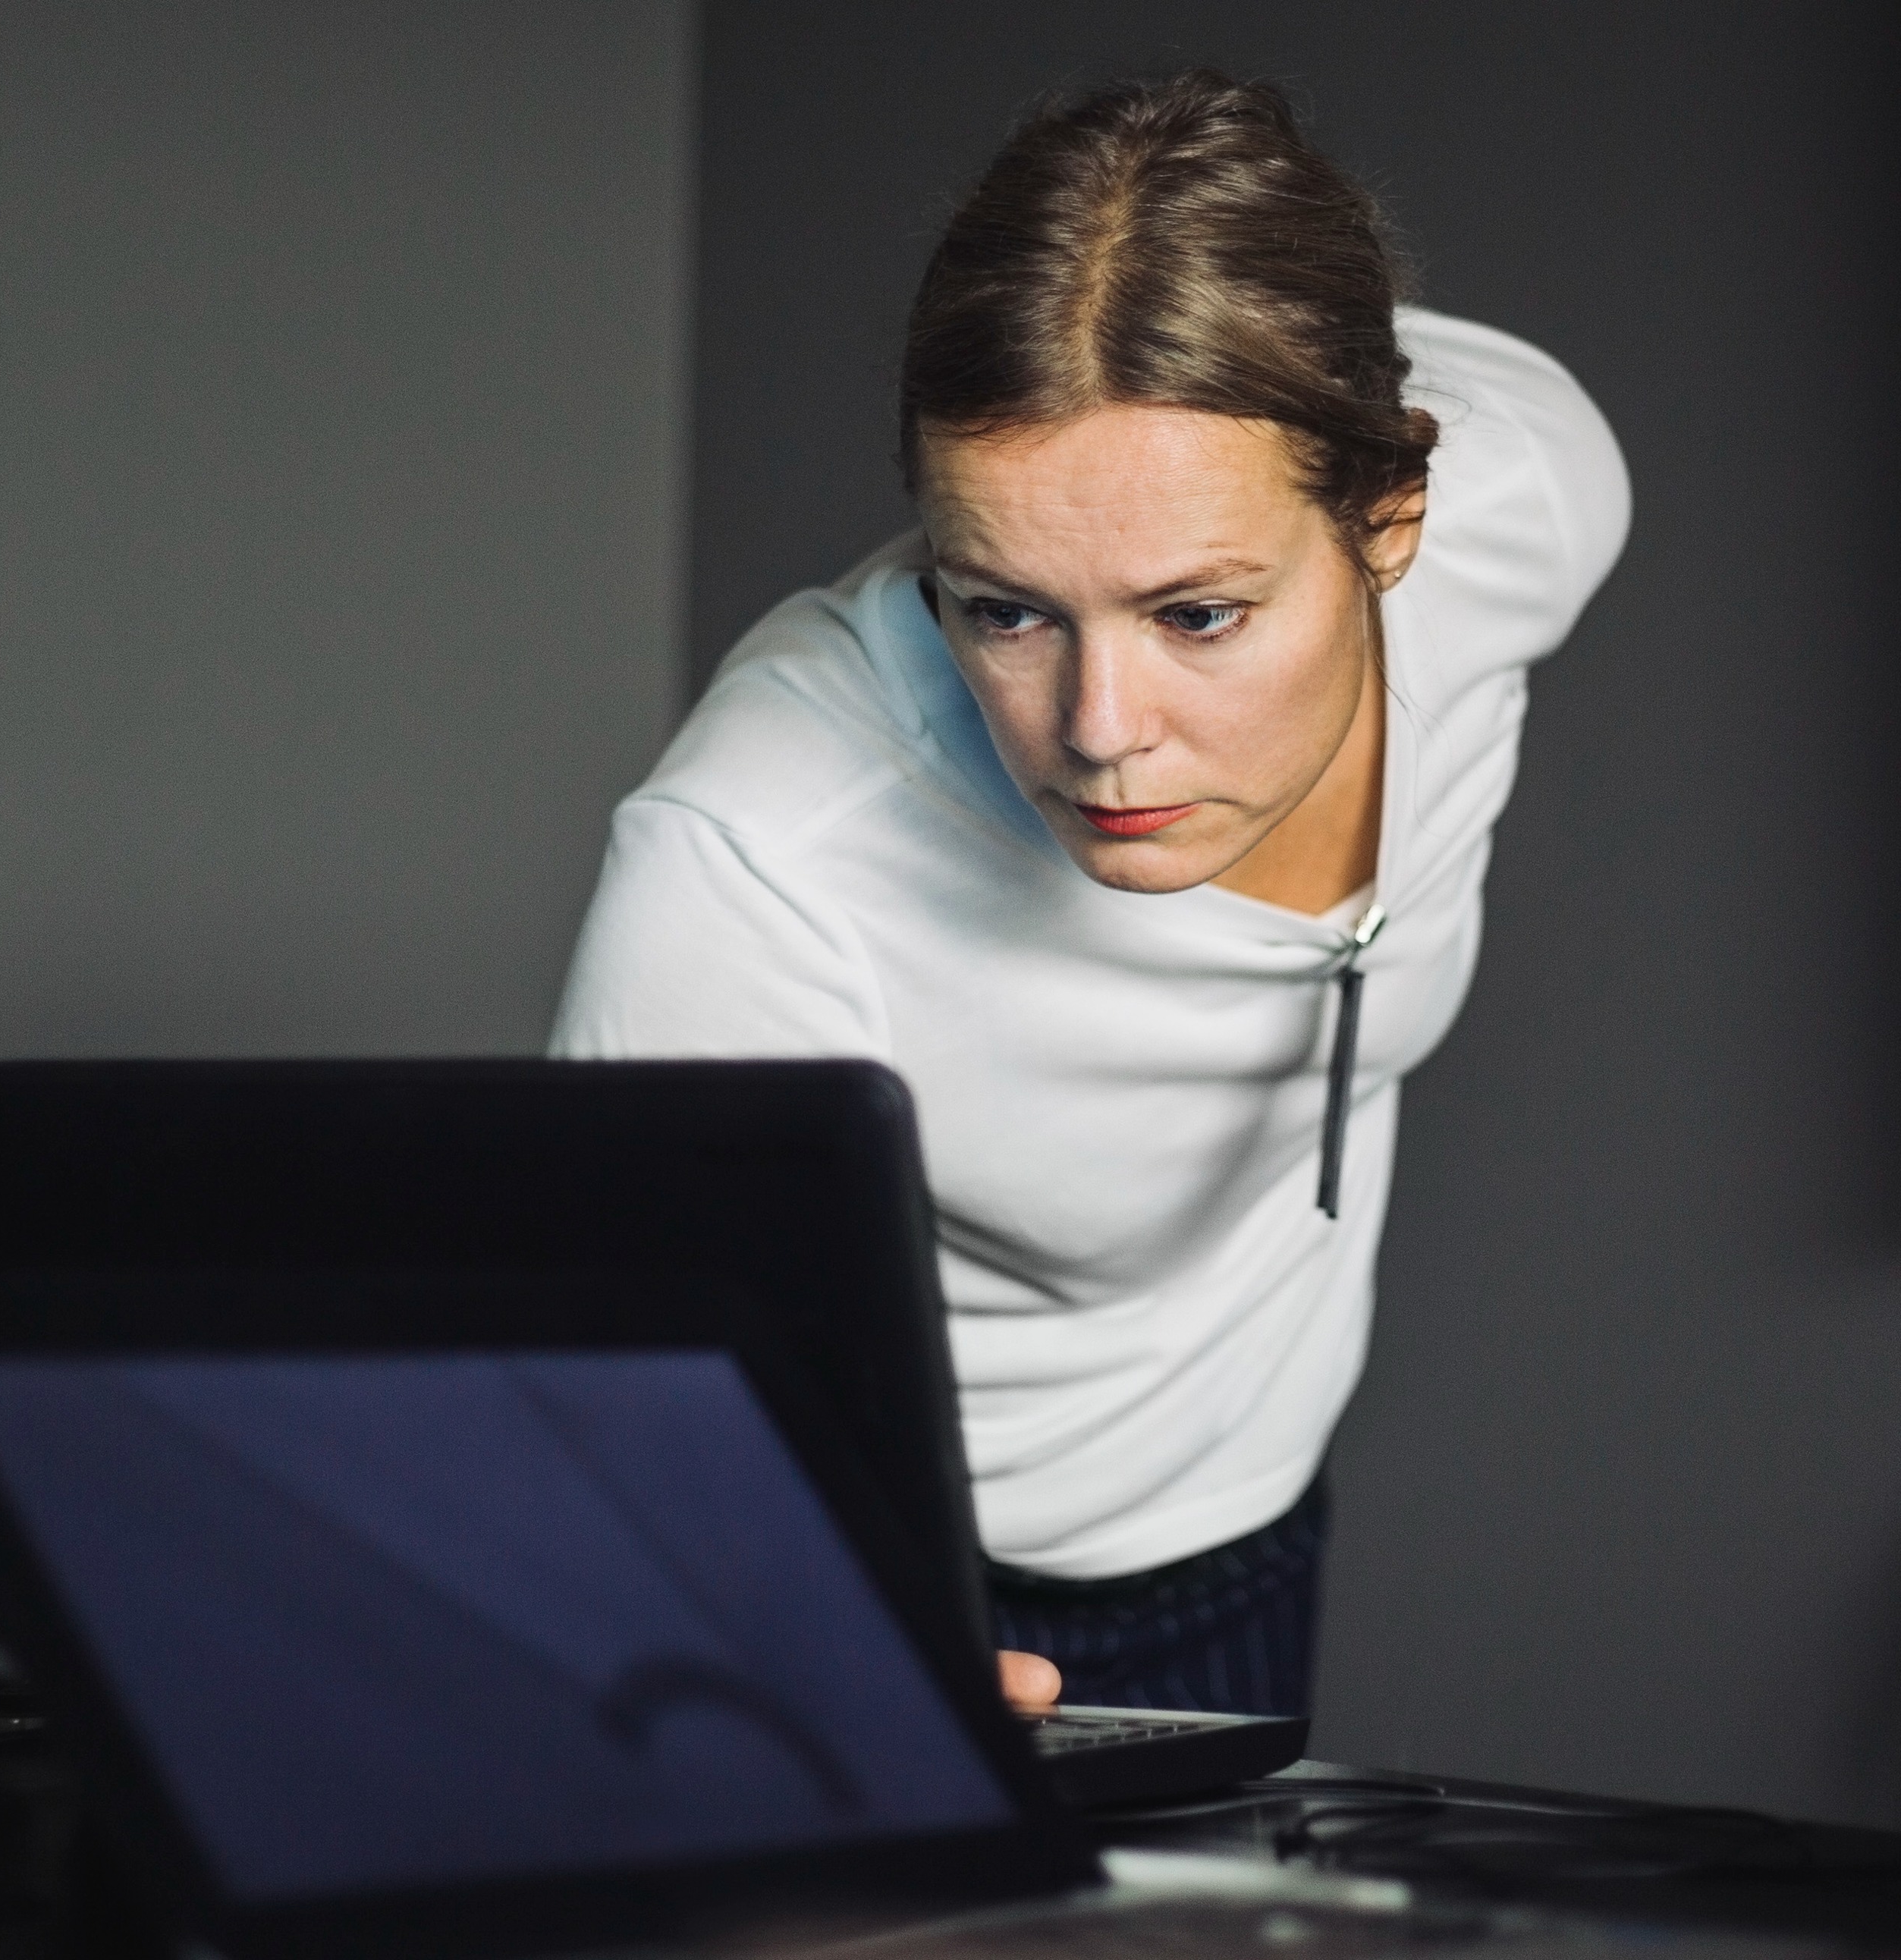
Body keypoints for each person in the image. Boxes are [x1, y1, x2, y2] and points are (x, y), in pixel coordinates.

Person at [552, 71, 1628, 1719]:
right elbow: (609, 1439)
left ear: (1394, 511)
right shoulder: (757, 856)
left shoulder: (1526, 496)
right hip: (905, 1582)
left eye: (1197, 613)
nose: (1100, 733)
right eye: (1004, 610)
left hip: (1257, 1522)